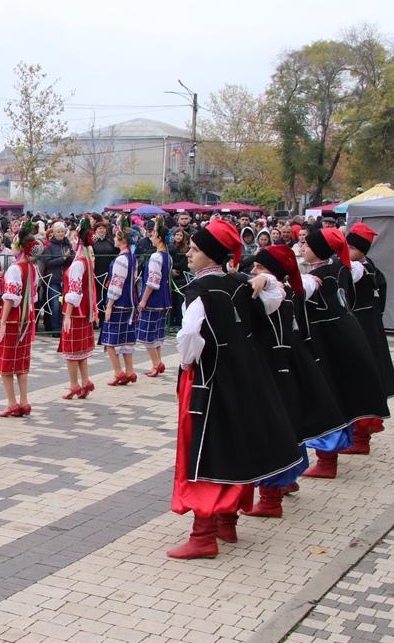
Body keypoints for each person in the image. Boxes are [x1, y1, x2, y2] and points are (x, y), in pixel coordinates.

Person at [168, 220, 301, 559]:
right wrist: (264, 278)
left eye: (195, 250)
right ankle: (227, 522)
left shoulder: (199, 293)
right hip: (245, 377)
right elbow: (276, 295)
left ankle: (203, 536)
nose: (189, 255)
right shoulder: (241, 283)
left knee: (205, 450)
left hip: (208, 382)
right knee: (236, 444)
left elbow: (189, 340)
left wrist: (185, 365)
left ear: (210, 255)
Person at [241, 245, 346, 518]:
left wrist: (267, 278)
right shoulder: (291, 288)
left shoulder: (274, 290)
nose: (253, 272)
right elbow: (306, 280)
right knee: (289, 424)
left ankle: (270, 498)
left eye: (259, 267)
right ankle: (287, 480)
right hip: (289, 363)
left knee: (274, 427)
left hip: (274, 367)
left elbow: (277, 282)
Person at [298, 228, 390, 479]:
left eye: (306, 245)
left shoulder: (317, 277)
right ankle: (335, 453)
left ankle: (327, 461)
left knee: (326, 396)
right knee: (341, 393)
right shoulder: (343, 269)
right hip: (345, 336)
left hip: (325, 341)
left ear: (319, 250)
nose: (302, 248)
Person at [344, 222, 394, 452]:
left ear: (357, 248)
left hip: (361, 332)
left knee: (359, 381)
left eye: (348, 246)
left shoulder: (357, 270)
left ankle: (360, 438)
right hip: (372, 329)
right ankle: (360, 436)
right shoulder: (374, 269)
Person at [0, 225, 39, 417]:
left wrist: (2, 321)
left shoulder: (15, 269)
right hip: (26, 319)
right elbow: (33, 296)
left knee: (8, 363)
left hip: (12, 321)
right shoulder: (32, 267)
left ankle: (12, 402)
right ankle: (24, 401)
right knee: (21, 361)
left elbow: (10, 297)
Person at [57, 219, 96, 399]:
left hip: (75, 312)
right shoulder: (87, 259)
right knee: (80, 351)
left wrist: (67, 315)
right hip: (85, 311)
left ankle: (74, 384)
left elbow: (75, 291)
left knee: (71, 351)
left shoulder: (78, 262)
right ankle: (85, 381)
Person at [100, 225, 137, 385]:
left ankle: (118, 372)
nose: (113, 238)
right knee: (125, 340)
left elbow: (116, 284)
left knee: (109, 340)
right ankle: (130, 371)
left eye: (116, 236)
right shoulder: (132, 257)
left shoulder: (121, 259)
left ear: (122, 240)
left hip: (120, 303)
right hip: (130, 302)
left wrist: (109, 304)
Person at [136, 222, 172, 377]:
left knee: (147, 335)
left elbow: (152, 281)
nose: (151, 236)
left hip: (154, 300)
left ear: (159, 237)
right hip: (163, 299)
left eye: (153, 233)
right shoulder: (167, 256)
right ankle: (156, 363)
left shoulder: (156, 256)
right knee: (156, 335)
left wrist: (143, 300)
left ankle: (157, 364)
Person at [41, 222, 73, 332]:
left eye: (62, 232)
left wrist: (69, 257)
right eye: (58, 232)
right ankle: (55, 328)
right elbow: (48, 262)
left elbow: (72, 260)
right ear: (54, 233)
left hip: (66, 279)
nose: (60, 234)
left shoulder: (67, 245)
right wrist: (63, 259)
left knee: (64, 304)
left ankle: (63, 326)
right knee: (55, 304)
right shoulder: (49, 247)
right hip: (54, 280)